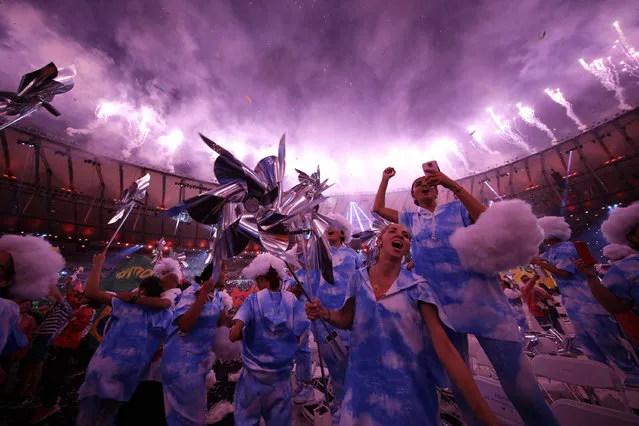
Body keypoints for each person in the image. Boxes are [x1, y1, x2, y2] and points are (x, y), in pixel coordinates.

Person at [373, 167, 559, 426]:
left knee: (520, 383)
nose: (424, 184)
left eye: (429, 182)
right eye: (418, 184)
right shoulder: (409, 219)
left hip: (484, 302)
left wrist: (452, 184)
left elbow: (486, 218)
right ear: (413, 195)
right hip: (441, 307)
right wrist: (384, 180)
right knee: (460, 383)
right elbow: (379, 209)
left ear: (437, 190)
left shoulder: (456, 209)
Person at [306, 223, 499, 426]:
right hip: (361, 392)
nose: (400, 235)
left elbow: (446, 350)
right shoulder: (358, 279)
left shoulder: (418, 287)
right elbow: (346, 319)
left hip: (408, 395)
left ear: (407, 248)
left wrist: (484, 415)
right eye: (393, 231)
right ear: (379, 241)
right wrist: (324, 313)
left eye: (406, 235)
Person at [534, 215, 639, 387]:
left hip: (588, 302)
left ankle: (632, 375)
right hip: (575, 304)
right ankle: (604, 379)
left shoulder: (565, 249)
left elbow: (565, 272)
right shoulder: (552, 252)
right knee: (589, 345)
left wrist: (542, 263)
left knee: (607, 341)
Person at [76, 252, 173, 426]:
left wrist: (98, 264)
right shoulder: (166, 314)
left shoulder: (123, 305)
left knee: (87, 416)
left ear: (142, 290)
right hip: (131, 372)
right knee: (108, 417)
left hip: (103, 367)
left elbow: (91, 291)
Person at [230, 253, 310, 426]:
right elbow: (300, 329)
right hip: (281, 381)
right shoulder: (292, 300)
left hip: (253, 380)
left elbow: (234, 334)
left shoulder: (252, 301)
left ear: (260, 279)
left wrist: (244, 332)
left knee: (247, 421)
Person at [115, 258, 184, 426]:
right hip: (144, 358)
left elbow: (165, 304)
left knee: (152, 401)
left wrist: (134, 298)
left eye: (165, 275)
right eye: (161, 274)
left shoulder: (172, 295)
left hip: (158, 360)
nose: (162, 278)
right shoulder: (154, 296)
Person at [161, 262, 228, 426]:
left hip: (200, 361)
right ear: (214, 274)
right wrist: (202, 294)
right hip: (182, 363)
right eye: (224, 271)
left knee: (196, 413)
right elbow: (184, 324)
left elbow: (223, 323)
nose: (227, 275)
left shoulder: (217, 296)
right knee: (189, 419)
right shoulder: (191, 292)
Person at [31, 286, 97, 423]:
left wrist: (72, 318)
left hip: (66, 346)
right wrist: (68, 286)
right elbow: (71, 298)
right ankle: (48, 401)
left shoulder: (88, 310)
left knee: (55, 374)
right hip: (61, 342)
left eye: (83, 296)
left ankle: (49, 405)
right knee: (50, 372)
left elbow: (79, 327)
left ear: (90, 300)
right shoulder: (80, 307)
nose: (79, 297)